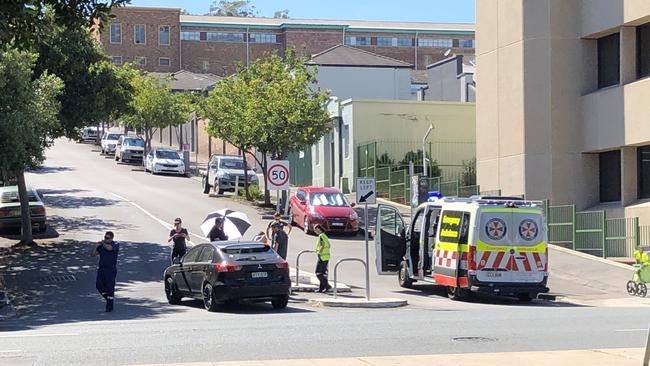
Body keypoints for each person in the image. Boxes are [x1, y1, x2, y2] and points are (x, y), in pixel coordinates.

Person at [91, 231, 120, 312]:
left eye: (107, 238)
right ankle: (108, 298)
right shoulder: (102, 246)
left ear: (111, 238)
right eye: (105, 237)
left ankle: (109, 305)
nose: (105, 239)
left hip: (110, 270)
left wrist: (103, 243)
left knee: (110, 287)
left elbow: (109, 248)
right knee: (99, 285)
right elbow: (93, 254)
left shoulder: (115, 245)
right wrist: (96, 246)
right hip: (102, 269)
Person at [314, 225, 332, 293]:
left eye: (315, 230)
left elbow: (322, 245)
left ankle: (327, 286)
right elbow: (329, 245)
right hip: (326, 257)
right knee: (322, 273)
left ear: (318, 229)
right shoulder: (325, 236)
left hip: (322, 257)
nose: (315, 231)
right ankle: (321, 288)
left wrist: (319, 252)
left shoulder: (321, 236)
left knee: (318, 273)